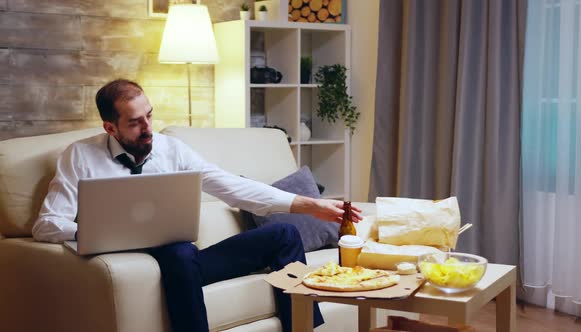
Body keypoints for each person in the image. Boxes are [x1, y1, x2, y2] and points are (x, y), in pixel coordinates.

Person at [32, 79, 363, 332]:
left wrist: (310, 205)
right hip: (135, 260)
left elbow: (231, 186)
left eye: (149, 116)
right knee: (180, 251)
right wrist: (100, 231)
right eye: (135, 123)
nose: (148, 129)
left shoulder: (170, 149)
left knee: (285, 235)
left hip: (185, 262)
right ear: (110, 127)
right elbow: (47, 224)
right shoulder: (80, 157)